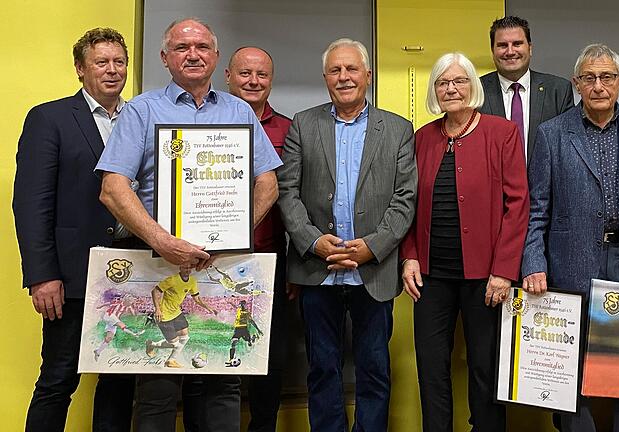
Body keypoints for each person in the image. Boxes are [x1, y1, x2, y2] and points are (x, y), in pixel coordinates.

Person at [96, 18, 282, 432]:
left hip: (222, 262)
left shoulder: (238, 110)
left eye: (201, 46)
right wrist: (162, 241)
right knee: (158, 388)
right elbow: (112, 188)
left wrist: (235, 231)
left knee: (221, 383)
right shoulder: (142, 110)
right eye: (182, 47)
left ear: (216, 57)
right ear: (165, 58)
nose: (193, 54)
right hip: (157, 262)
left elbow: (268, 182)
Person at [521, 43, 619, 432]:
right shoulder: (552, 134)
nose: (598, 85)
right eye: (589, 78)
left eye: (607, 77)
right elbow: (536, 209)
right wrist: (534, 263)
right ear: (577, 83)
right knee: (569, 370)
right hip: (570, 264)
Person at [276, 38, 417, 431]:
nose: (344, 77)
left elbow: (406, 198)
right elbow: (286, 191)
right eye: (336, 70)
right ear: (325, 78)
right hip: (317, 270)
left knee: (374, 370)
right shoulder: (303, 124)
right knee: (322, 368)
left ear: (367, 76)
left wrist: (372, 247)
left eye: (352, 69)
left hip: (373, 271)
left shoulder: (399, 129)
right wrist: (313, 241)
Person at [13, 27, 135, 432]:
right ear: (80, 69)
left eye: (119, 62)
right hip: (71, 275)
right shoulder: (49, 118)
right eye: (102, 62)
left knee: (120, 379)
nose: (112, 70)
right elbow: (31, 204)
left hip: (132, 272)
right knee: (59, 379)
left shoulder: (139, 119)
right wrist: (42, 275)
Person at [400, 52, 529, 432]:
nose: (451, 89)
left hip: (486, 278)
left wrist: (504, 271)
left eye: (459, 81)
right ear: (434, 91)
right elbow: (406, 202)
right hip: (430, 275)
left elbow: (518, 204)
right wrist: (409, 256)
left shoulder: (501, 132)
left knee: (485, 367)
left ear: (473, 87)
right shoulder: (422, 137)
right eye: (443, 82)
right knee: (431, 366)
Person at [225, 46, 292, 432]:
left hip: (268, 259)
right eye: (245, 74)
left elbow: (294, 201)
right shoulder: (206, 123)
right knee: (216, 346)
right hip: (211, 259)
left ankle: (262, 426)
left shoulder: (288, 129)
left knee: (268, 353)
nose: (253, 82)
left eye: (261, 75)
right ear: (228, 76)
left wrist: (293, 270)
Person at [479, 15, 573, 161]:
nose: (510, 51)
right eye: (502, 45)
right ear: (492, 51)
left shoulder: (558, 90)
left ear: (530, 48)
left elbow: (567, 150)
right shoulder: (476, 91)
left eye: (517, 44)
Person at [145, 265, 217, 368]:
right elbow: (155, 291)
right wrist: (157, 309)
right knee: (174, 344)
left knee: (185, 337)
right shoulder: (172, 280)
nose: (187, 270)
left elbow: (196, 298)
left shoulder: (192, 281)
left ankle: (171, 361)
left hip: (177, 313)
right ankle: (151, 344)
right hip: (164, 315)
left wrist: (207, 307)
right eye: (185, 268)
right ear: (180, 268)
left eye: (189, 268)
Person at [93, 294, 144, 361]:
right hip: (109, 316)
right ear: (126, 300)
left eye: (131, 302)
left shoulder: (129, 307)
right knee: (121, 324)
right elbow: (108, 303)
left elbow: (134, 314)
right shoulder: (118, 302)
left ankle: (98, 351)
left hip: (113, 321)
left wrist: (137, 312)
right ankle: (134, 334)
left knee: (109, 338)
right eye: (130, 302)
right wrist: (100, 306)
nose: (131, 304)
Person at [226, 300, 264, 367]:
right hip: (237, 329)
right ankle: (231, 359)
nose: (241, 306)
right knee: (233, 343)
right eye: (240, 304)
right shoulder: (238, 310)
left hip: (244, 330)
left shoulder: (247, 313)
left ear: (245, 305)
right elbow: (235, 307)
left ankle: (253, 338)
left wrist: (258, 330)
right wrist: (231, 303)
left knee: (249, 343)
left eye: (242, 304)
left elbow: (252, 321)